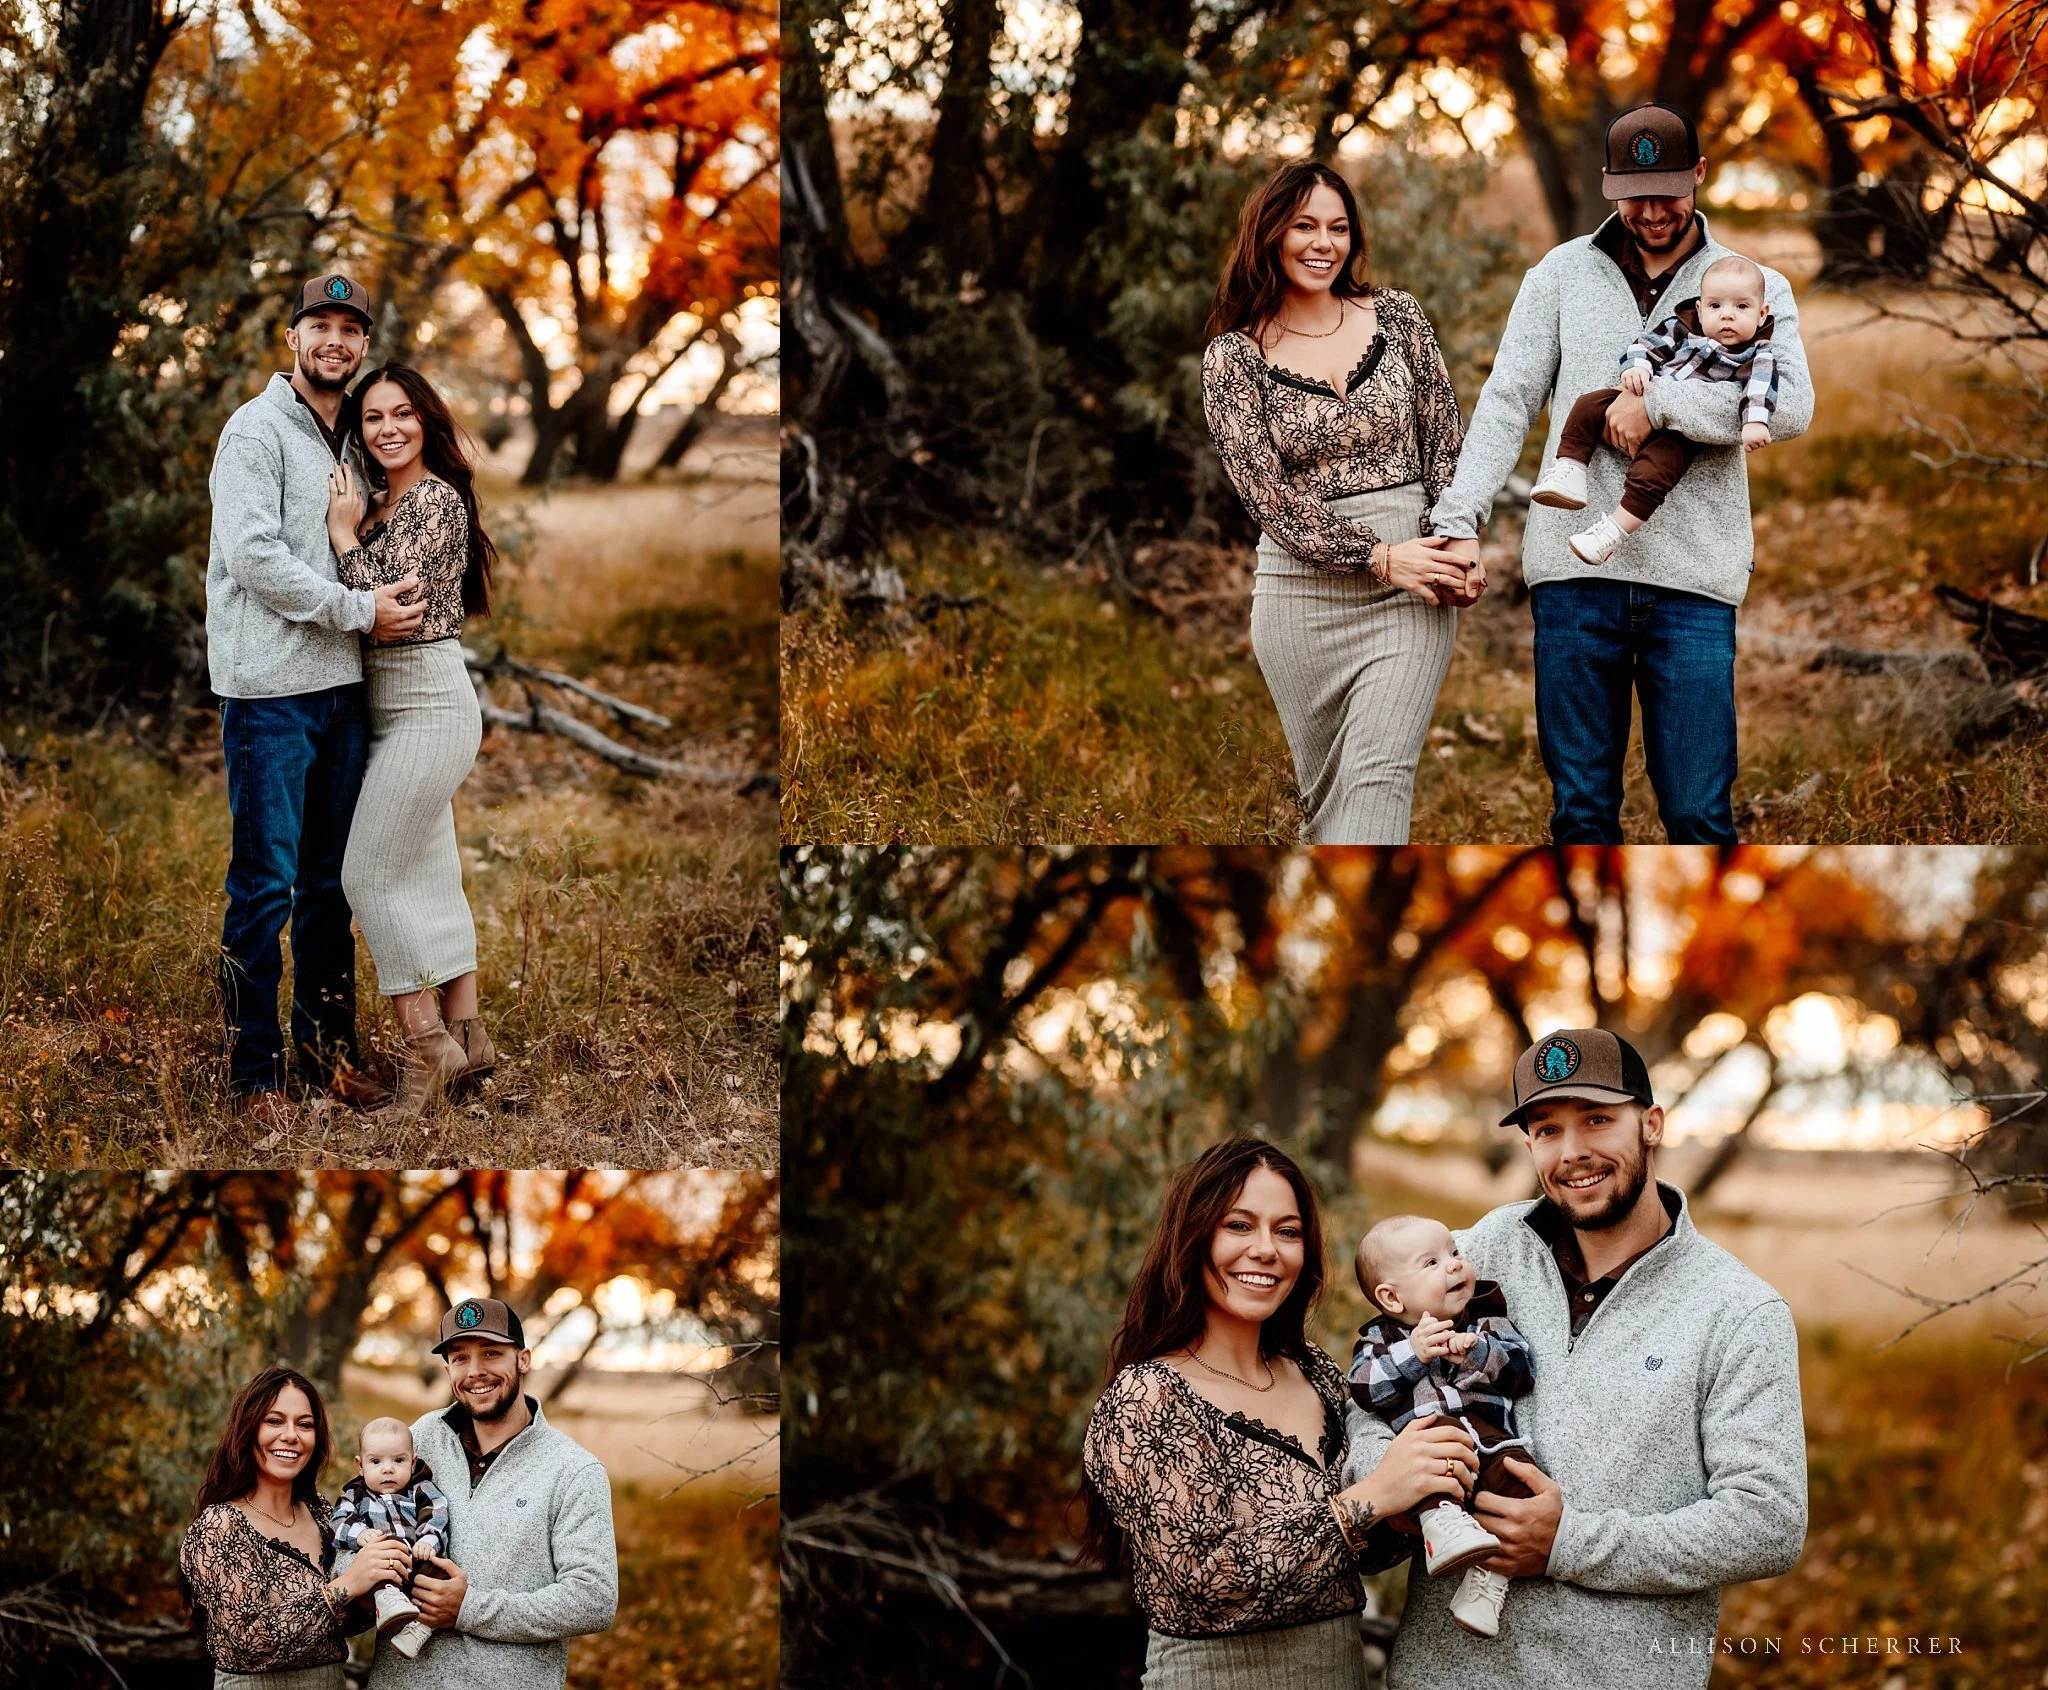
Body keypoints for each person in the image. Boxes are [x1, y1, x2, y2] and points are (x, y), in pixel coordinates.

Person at [1344, 1028, 1809, 1690]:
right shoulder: (1481, 1251)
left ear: (1651, 1124)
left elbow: (1769, 1521)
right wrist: (1394, 1486)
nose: (1573, 1152)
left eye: (1597, 1120)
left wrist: (1569, 1544)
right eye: (1546, 1129)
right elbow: (1372, 1380)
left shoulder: (1738, 1311)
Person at [1427, 104, 1815, 846]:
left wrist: (1658, 402)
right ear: (1609, 186)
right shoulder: (1561, 274)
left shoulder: (1752, 284)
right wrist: (1457, 515)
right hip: (1571, 577)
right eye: (1635, 193)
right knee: (1580, 815)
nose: (1653, 210)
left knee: (1699, 815)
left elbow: (1790, 406)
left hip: (1694, 580)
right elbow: (1507, 402)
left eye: (1669, 189)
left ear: (1699, 175)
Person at [1080, 1136, 1489, 1688]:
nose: (1268, 1249)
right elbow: (1204, 1583)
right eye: (1239, 1225)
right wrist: (1369, 1498)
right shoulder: (1146, 1397)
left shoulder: (1318, 1373)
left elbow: (1360, 1558)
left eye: (1288, 1231)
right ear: (1194, 1235)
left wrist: (1411, 1502)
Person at [1201, 160, 1480, 844]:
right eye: (1304, 226)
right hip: (1300, 602)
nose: (1323, 243)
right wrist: (1379, 556)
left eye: (1338, 227)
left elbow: (1446, 438)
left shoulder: (1399, 316)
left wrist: (1459, 535)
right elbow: (1267, 499)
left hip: (1413, 589)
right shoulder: (1232, 359)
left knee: (1379, 779)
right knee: (1326, 806)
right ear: (1269, 234)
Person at [207, 273, 425, 1126]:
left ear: (364, 345)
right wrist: (357, 612)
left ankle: (327, 1058)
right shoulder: (253, 432)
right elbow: (255, 559)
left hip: (343, 692)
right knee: (264, 887)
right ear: (291, 336)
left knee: (330, 886)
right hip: (269, 696)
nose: (334, 341)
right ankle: (253, 1076)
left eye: (349, 328)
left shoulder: (355, 438)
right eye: (319, 325)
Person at [327, 362, 497, 1119]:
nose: (388, 429)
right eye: (372, 419)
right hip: (391, 707)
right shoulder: (387, 499)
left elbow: (388, 607)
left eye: (402, 414)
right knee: (430, 874)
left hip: (429, 703)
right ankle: (471, 1038)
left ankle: (427, 1051)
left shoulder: (433, 499)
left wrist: (340, 535)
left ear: (427, 420)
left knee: (363, 875)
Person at [338, 1297, 618, 1686]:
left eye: (491, 1353)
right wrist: (363, 1584)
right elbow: (356, 1517)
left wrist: (469, 1609)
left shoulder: (573, 1470)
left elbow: (593, 1599)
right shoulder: (420, 1438)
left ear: (523, 1359)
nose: (475, 1372)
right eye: (459, 1358)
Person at [1348, 1214, 1537, 1638]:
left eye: (1454, 1253)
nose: (1454, 1265)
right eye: (1431, 1263)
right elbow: (1364, 1389)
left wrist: (1478, 1353)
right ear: (1392, 1298)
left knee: (1521, 1483)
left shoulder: (1486, 1321)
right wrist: (1414, 1354)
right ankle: (1440, 1527)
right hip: (1431, 1439)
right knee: (1431, 1470)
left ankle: (1486, 1585)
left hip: (1492, 1441)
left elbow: (1522, 1373)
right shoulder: (1382, 1340)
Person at [1532, 253, 1780, 565]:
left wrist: (1755, 422)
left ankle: (1611, 533)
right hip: (1638, 397)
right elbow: (1644, 346)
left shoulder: (1757, 353)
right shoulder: (1683, 328)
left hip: (1683, 434)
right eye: (1716, 306)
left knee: (1652, 474)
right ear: (1700, 309)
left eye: (1741, 307)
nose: (1727, 316)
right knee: (1588, 404)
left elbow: (1760, 388)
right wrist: (1637, 369)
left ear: (1762, 313)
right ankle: (1570, 469)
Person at [180, 1366, 412, 1689]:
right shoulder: (219, 1526)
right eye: (274, 1421)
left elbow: (338, 1626)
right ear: (248, 1429)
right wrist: (346, 1585)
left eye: (304, 1424)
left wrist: (373, 1587)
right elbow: (251, 1642)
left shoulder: (322, 1514)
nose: (291, 1435)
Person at [331, 1416, 451, 1660]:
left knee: (442, 1571)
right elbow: (338, 1522)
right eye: (376, 1461)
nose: (388, 1469)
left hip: (414, 1561)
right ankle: (387, 1600)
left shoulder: (420, 1489)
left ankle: (418, 1628)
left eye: (399, 1460)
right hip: (382, 1567)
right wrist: (361, 1534)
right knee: (384, 1549)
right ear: (360, 1465)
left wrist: (428, 1541)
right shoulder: (356, 1495)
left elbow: (437, 1512)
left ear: (413, 1461)